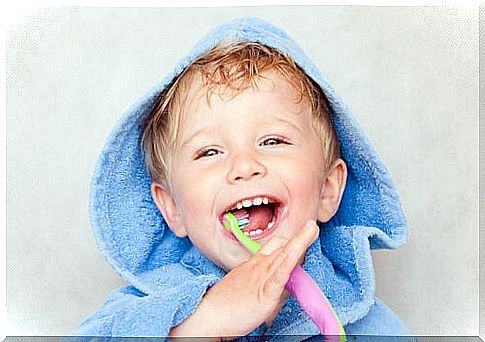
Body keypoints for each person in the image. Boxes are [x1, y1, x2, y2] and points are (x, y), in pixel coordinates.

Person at [75, 17, 410, 339]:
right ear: (172, 207)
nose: (244, 166)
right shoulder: (136, 311)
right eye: (209, 152)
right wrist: (205, 323)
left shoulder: (367, 324)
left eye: (272, 141)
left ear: (327, 189)